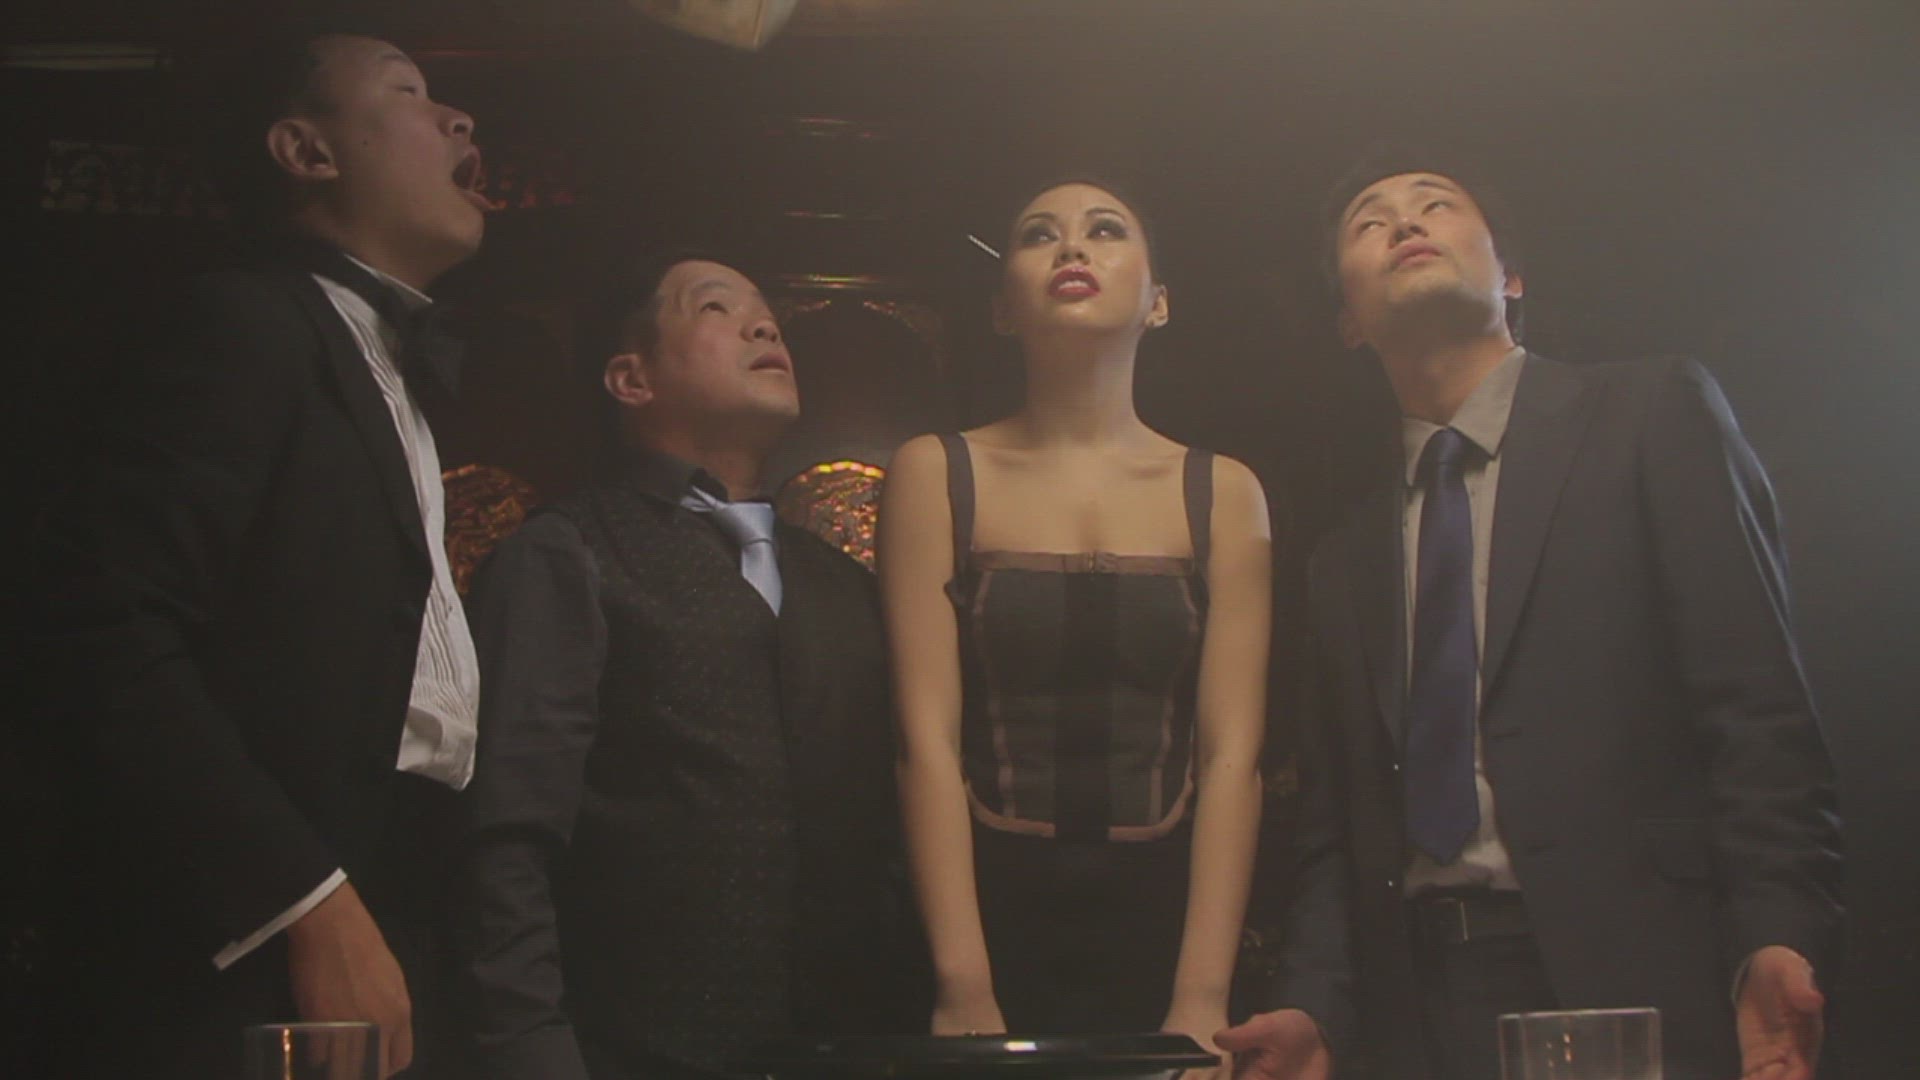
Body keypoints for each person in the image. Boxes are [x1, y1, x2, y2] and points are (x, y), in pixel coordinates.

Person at [1214, 150, 1843, 1080]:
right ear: (1348, 320)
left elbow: (1757, 710)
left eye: (1436, 204)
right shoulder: (1342, 555)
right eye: (1368, 221)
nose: (1403, 221)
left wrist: (1776, 935)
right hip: (1416, 1009)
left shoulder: (1650, 413)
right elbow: (1335, 831)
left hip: (1647, 976)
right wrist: (1316, 1002)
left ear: (1510, 276)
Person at [31, 22, 490, 1080]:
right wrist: (301, 899)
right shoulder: (242, 322)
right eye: (409, 92)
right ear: (306, 151)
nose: (459, 117)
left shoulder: (386, 365)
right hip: (243, 950)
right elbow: (98, 625)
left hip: (395, 900)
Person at [457, 251, 917, 1080]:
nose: (764, 326)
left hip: (850, 1048)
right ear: (631, 380)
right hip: (629, 1050)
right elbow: (509, 830)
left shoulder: (843, 582)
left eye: (767, 313)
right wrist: (528, 1046)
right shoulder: (569, 552)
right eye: (715, 308)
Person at [880, 180, 1271, 1063]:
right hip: (980, 920)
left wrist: (1202, 996)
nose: (1071, 248)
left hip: (1168, 928)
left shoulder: (1223, 491)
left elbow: (1231, 757)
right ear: (1001, 308)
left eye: (1105, 230)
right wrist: (962, 983)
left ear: (1159, 301)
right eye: (1037, 235)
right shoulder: (936, 472)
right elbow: (924, 743)